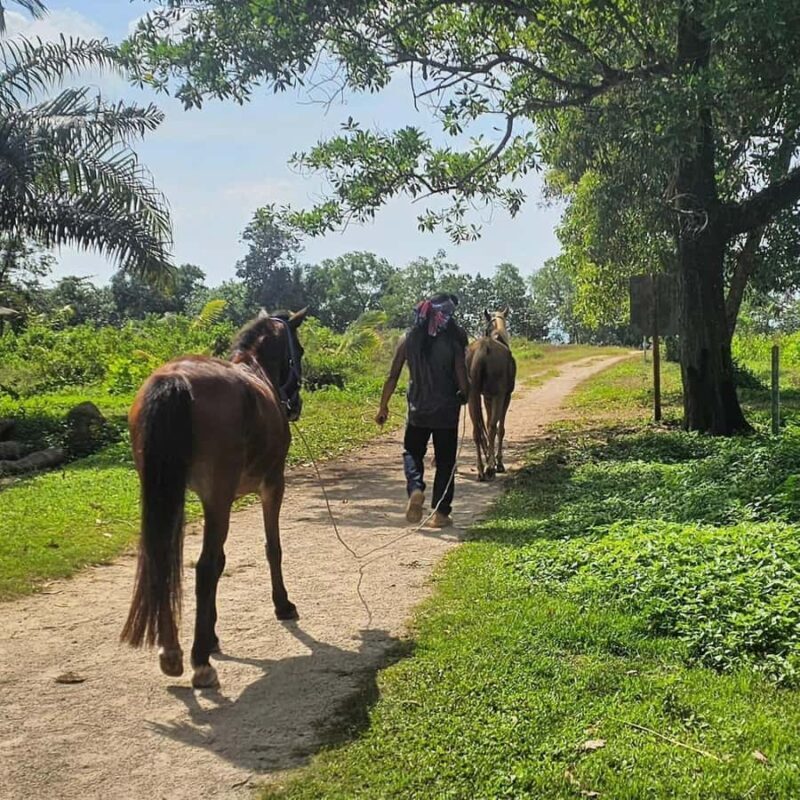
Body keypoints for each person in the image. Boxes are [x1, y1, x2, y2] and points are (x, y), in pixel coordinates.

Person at [376, 293, 469, 528]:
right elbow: (462, 378)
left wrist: (383, 406)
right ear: (447, 315)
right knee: (446, 462)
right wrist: (465, 394)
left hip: (418, 410)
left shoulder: (408, 339)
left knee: (411, 452)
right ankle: (440, 513)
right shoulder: (454, 341)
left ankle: (416, 488)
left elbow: (392, 375)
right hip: (446, 413)